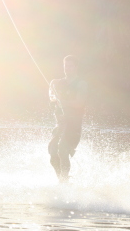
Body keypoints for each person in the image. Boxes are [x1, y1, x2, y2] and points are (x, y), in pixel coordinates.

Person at [48, 55, 87, 183]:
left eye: (70, 66)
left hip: (73, 125)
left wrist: (64, 101)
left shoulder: (81, 84)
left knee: (62, 149)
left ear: (76, 67)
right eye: (65, 66)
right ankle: (61, 180)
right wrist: (52, 89)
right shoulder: (58, 83)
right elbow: (52, 99)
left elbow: (80, 103)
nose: (67, 68)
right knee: (52, 150)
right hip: (61, 124)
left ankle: (64, 181)